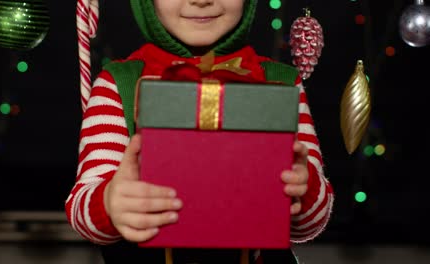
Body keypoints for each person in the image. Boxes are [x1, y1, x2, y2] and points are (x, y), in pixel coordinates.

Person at [66, 0, 334, 263]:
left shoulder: (282, 83)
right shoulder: (119, 84)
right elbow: (81, 211)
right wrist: (111, 203)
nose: (201, 1)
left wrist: (304, 185)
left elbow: (310, 223)